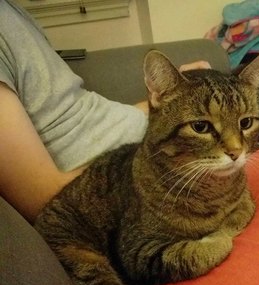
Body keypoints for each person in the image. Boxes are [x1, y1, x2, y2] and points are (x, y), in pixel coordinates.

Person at [0, 0, 210, 222]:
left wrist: (172, 103)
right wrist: (156, 158)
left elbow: (68, 111)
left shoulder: (11, 9)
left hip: (152, 140)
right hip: (143, 172)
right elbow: (45, 200)